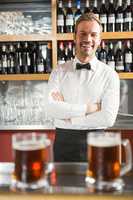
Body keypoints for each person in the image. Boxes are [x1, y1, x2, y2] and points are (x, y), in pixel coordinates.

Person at [47, 12, 120, 162]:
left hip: (97, 144)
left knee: (96, 184)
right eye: (83, 34)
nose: (88, 39)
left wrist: (70, 118)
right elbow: (51, 109)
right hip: (63, 144)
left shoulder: (110, 75)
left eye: (93, 34)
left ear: (100, 40)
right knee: (61, 185)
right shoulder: (59, 72)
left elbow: (108, 118)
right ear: (75, 37)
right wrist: (90, 108)